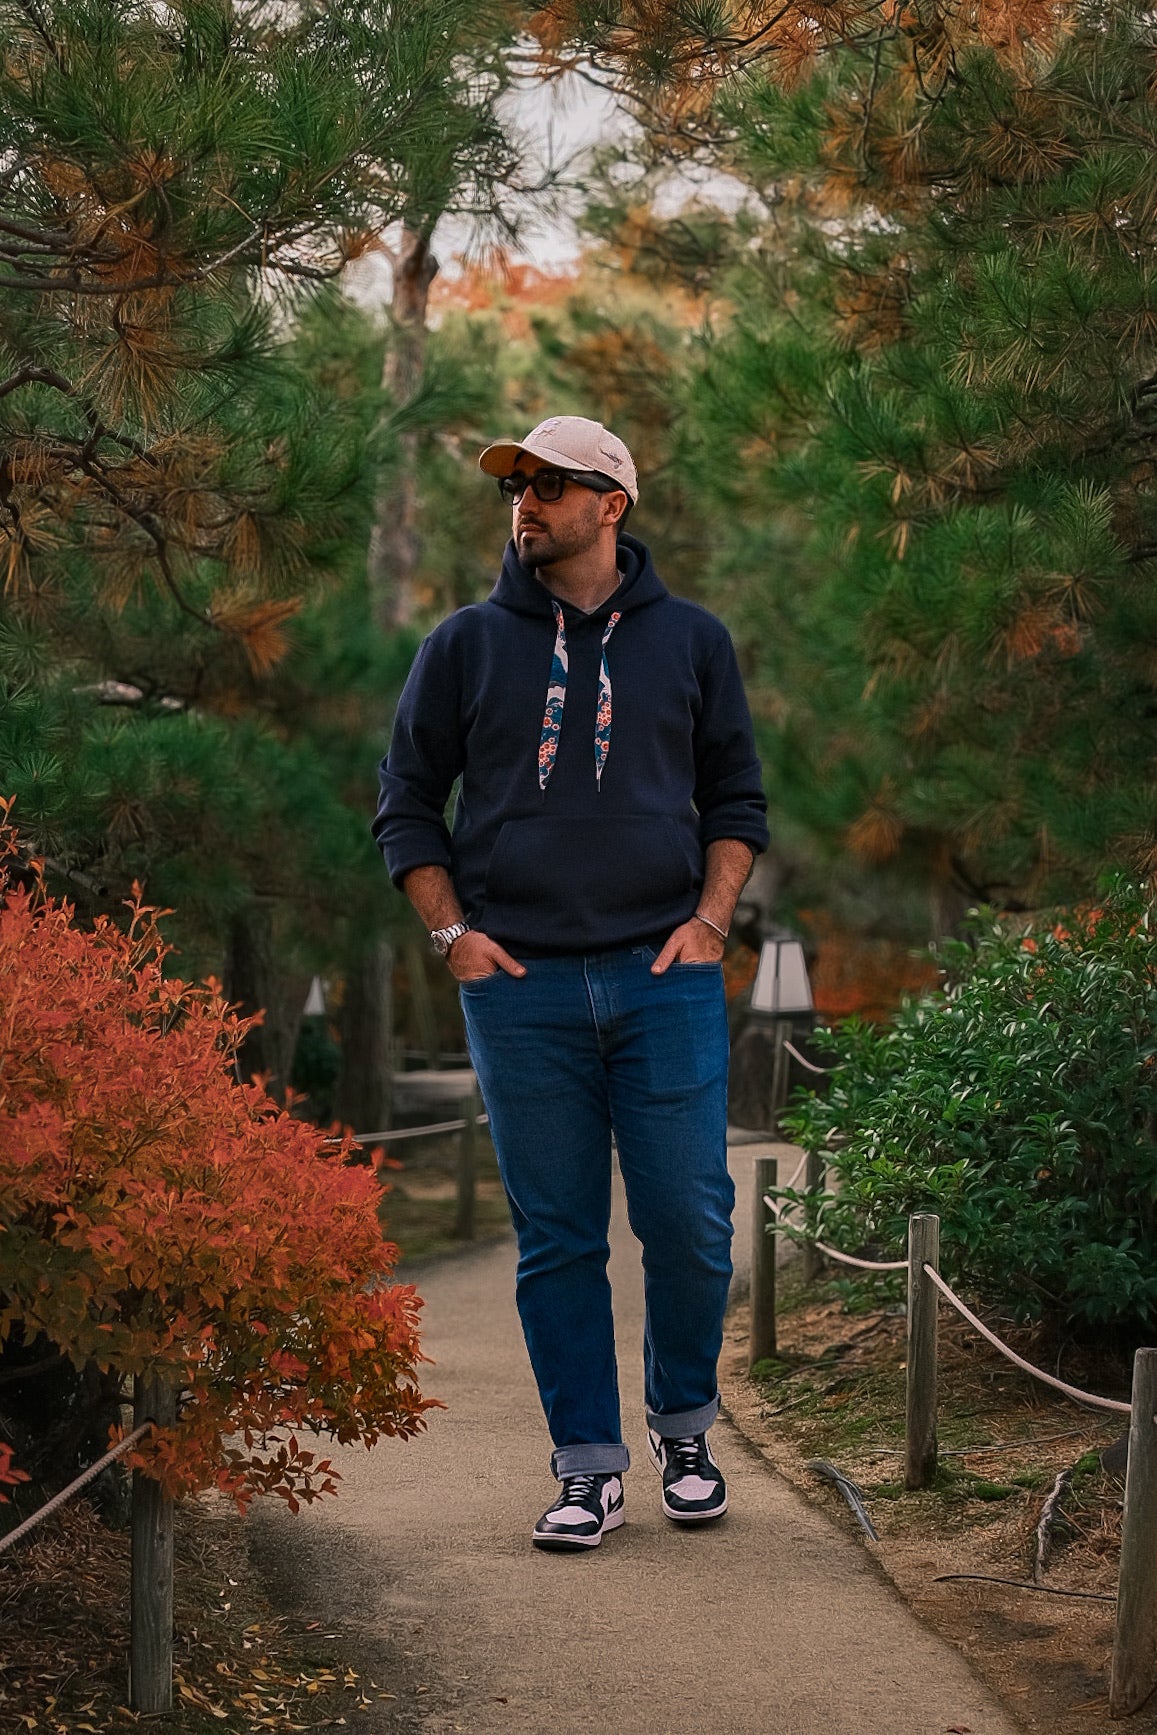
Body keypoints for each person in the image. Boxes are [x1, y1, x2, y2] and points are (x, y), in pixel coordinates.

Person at [373, 415, 768, 1551]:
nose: (526, 502)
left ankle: (683, 1427)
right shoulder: (462, 644)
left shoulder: (691, 642)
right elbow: (406, 803)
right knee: (557, 1239)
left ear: (612, 505)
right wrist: (455, 937)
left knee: (691, 1223)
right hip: (521, 986)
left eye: (553, 485)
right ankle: (585, 1465)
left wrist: (707, 920)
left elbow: (735, 801)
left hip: (663, 976)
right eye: (517, 485)